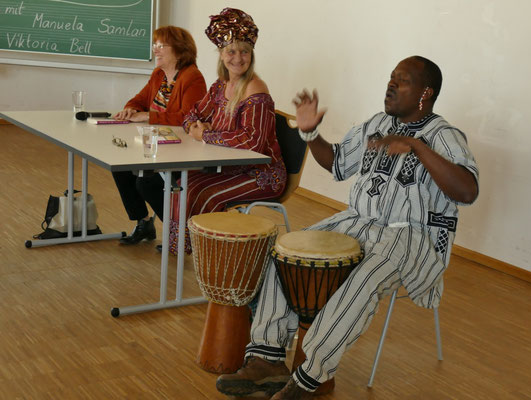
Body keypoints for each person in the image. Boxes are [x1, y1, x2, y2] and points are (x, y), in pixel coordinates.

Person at [215, 56, 479, 399]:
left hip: (411, 235)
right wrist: (310, 133)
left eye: (401, 81)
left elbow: (467, 191)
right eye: (390, 78)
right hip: (356, 220)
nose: (390, 85)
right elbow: (337, 162)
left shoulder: (444, 135)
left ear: (425, 93)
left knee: (363, 281)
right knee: (286, 252)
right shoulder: (377, 123)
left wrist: (415, 146)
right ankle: (267, 358)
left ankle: (309, 379)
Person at [168, 8, 286, 255]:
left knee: (198, 190)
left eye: (244, 51)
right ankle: (184, 250)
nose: (238, 57)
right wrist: (194, 127)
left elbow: (252, 142)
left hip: (262, 174)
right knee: (182, 183)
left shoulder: (256, 90)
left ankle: (206, 254)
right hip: (232, 167)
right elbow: (192, 114)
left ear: (251, 55)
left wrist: (206, 135)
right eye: (231, 51)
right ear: (221, 55)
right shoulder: (220, 86)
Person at [112, 26, 207, 245]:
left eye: (161, 45)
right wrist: (131, 110)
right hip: (157, 143)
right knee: (121, 167)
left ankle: (179, 233)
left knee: (147, 183)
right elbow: (139, 100)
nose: (156, 50)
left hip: (181, 149)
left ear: (180, 49)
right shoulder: (159, 75)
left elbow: (187, 117)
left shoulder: (192, 77)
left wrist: (149, 117)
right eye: (155, 45)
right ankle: (143, 222)